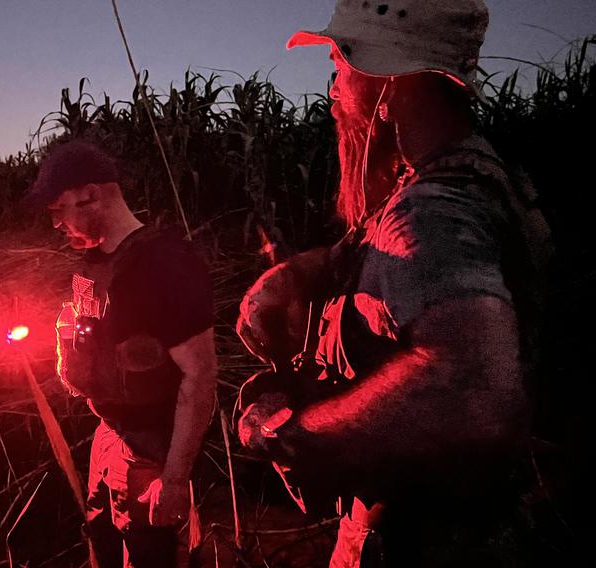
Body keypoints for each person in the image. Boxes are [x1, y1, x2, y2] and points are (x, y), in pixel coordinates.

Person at [235, 0, 550, 566]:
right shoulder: (475, 176)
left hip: (422, 541)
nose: (333, 90)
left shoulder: (429, 212)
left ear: (386, 85)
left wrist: (294, 432)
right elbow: (370, 246)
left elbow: (475, 390)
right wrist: (298, 272)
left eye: (342, 65)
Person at [28, 140, 217, 568]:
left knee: (151, 556)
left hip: (151, 448)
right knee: (103, 548)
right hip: (106, 437)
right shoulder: (91, 264)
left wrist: (173, 481)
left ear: (91, 194)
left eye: (60, 209)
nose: (56, 224)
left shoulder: (166, 263)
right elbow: (87, 334)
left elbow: (200, 377)